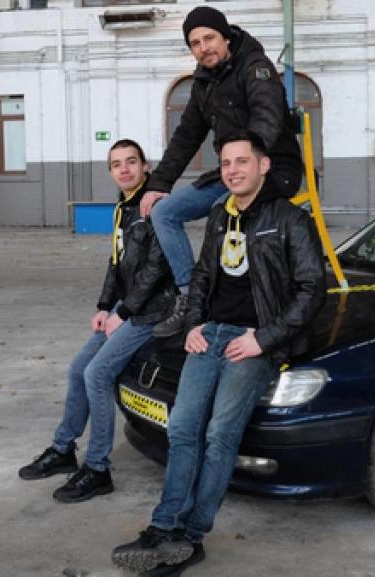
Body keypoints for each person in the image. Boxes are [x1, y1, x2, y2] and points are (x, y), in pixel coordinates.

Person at [111, 131, 325, 576]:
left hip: (252, 340)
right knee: (182, 427)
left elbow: (311, 289)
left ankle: (191, 537)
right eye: (226, 163)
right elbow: (203, 277)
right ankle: (164, 527)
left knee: (220, 434)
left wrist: (263, 339)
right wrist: (193, 324)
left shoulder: (291, 219)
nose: (232, 170)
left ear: (263, 165)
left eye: (241, 161)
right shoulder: (217, 216)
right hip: (209, 335)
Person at [18, 139, 178, 503]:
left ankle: (97, 468)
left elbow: (157, 268)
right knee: (78, 370)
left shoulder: (156, 207)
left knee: (97, 374)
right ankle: (63, 449)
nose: (124, 169)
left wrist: (124, 312)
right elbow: (116, 263)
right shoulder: (123, 207)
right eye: (116, 164)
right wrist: (105, 306)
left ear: (145, 166)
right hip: (126, 307)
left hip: (153, 310)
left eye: (131, 162)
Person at [142, 5, 304, 339]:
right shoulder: (204, 82)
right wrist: (158, 183)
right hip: (229, 173)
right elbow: (187, 135)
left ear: (226, 37)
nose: (203, 48)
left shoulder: (256, 68)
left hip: (273, 169)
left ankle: (235, 299)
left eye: (209, 38)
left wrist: (246, 164)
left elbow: (267, 119)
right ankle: (190, 296)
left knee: (222, 213)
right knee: (164, 212)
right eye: (195, 43)